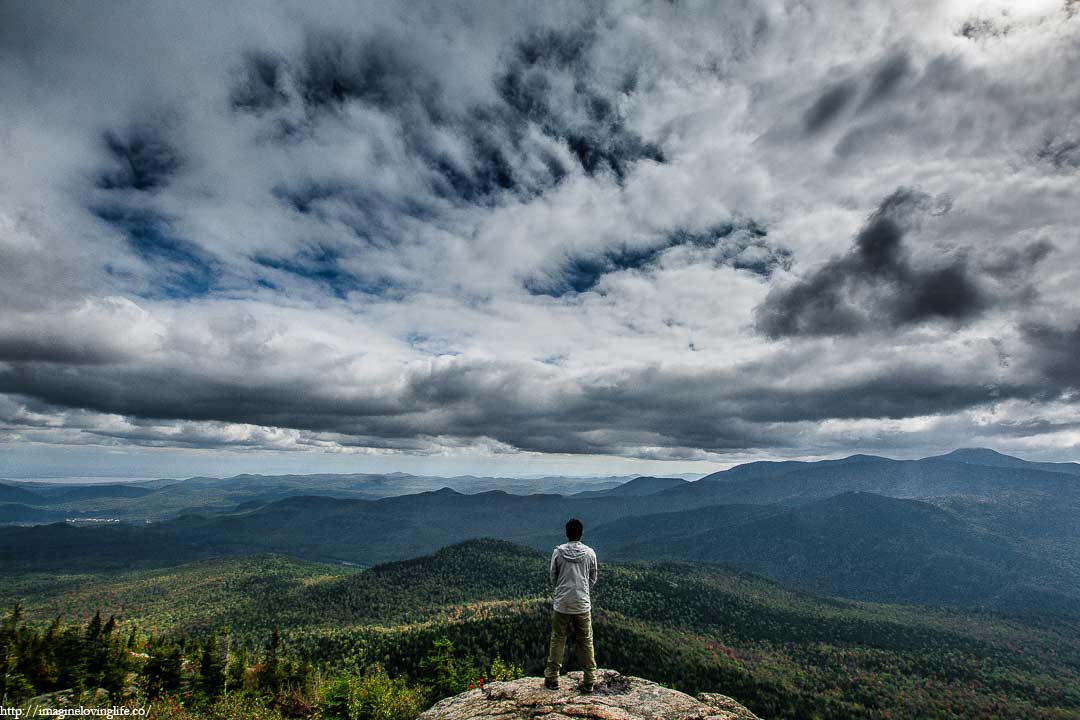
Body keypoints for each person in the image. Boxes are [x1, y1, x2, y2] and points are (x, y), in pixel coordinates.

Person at [544, 517, 598, 692]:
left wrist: (561, 590)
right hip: (582, 603)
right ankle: (589, 679)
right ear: (581, 534)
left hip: (562, 603)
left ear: (567, 534)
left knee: (558, 638)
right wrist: (582, 590)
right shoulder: (590, 553)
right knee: (586, 640)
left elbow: (553, 576)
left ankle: (552, 677)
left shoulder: (558, 552)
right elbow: (593, 578)